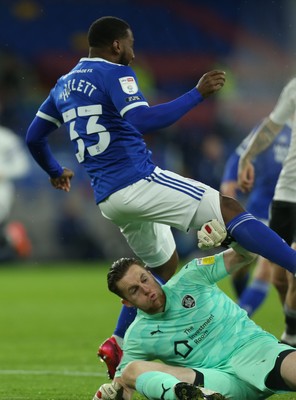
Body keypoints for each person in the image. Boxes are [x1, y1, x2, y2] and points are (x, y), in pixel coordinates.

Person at [25, 16, 296, 376]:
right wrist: (197, 93)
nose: (134, 53)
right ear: (117, 45)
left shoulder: (63, 84)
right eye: (131, 43)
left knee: (162, 268)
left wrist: (55, 172)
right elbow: (143, 121)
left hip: (110, 199)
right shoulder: (113, 73)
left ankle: (117, 342)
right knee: (229, 209)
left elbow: (34, 136)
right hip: (137, 180)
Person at [92, 220, 296, 400]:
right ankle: (193, 396)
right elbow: (123, 386)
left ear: (151, 274)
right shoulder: (139, 334)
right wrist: (112, 394)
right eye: (135, 290)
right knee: (130, 370)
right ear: (127, 303)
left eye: (144, 279)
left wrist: (228, 238)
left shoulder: (192, 276)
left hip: (257, 352)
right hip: (215, 382)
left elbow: (247, 255)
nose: (146, 289)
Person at [238, 76, 296, 346]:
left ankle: (290, 336)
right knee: (278, 275)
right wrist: (247, 156)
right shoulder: (294, 87)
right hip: (286, 194)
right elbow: (272, 126)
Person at [221, 122, 291, 316]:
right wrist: (229, 179)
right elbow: (240, 153)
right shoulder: (272, 127)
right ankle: (244, 304)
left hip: (285, 209)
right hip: (259, 205)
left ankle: (235, 321)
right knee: (241, 263)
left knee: (266, 266)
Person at [0, 124, 31, 261]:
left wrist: (4, 172)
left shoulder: (6, 137)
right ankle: (12, 236)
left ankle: (10, 236)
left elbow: (22, 165)